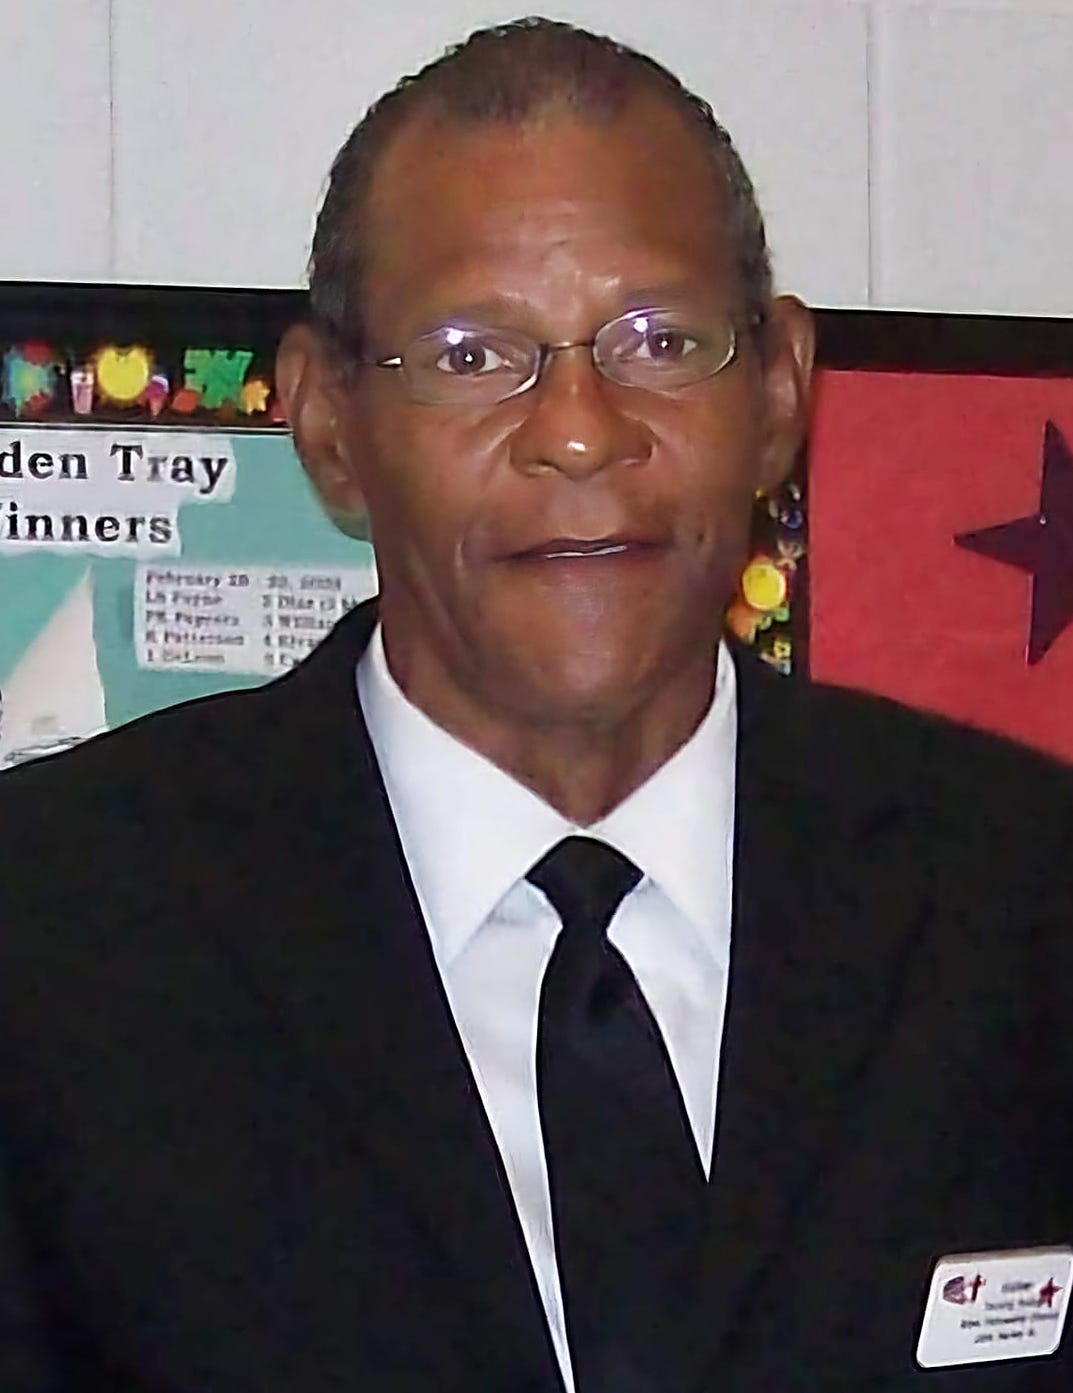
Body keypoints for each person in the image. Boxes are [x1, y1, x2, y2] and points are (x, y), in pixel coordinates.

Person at [1, 17, 1071, 1393]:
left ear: (778, 392)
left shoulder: (1025, 902)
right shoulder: (54, 937)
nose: (578, 429)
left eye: (658, 340)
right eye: (472, 355)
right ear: (327, 422)